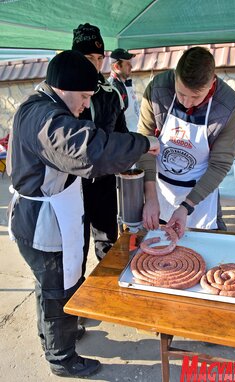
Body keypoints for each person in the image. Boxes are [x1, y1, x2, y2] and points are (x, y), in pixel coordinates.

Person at [7, 50, 159, 378]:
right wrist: (142, 143)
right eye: (85, 96)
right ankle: (61, 357)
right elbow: (91, 150)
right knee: (56, 286)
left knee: (52, 283)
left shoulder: (42, 106)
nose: (86, 105)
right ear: (65, 88)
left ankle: (55, 334)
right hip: (42, 221)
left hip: (46, 212)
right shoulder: (46, 119)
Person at [137, 46, 235, 239]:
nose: (186, 103)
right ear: (175, 76)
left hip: (200, 196)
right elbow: (145, 144)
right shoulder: (157, 90)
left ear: (213, 82)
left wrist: (187, 206)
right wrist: (150, 196)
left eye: (196, 97)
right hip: (159, 190)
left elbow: (220, 165)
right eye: (181, 94)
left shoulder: (228, 107)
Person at [72, 23, 128, 261]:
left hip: (104, 184)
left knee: (108, 250)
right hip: (72, 186)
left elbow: (122, 137)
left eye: (98, 58)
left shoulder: (111, 94)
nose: (94, 64)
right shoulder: (65, 94)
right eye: (87, 57)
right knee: (75, 253)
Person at [108, 48, 140, 132]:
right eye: (128, 64)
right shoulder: (113, 88)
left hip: (135, 137)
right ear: (117, 66)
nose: (131, 66)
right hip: (127, 140)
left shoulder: (125, 84)